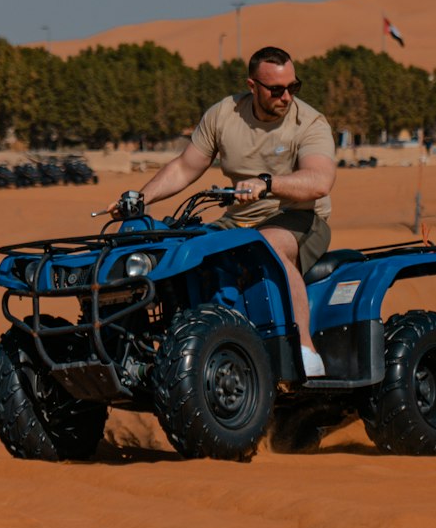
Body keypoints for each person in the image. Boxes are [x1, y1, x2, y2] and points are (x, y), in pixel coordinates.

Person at [117, 46, 336, 378]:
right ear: (252, 86)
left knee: (269, 248)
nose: (287, 96)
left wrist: (268, 183)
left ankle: (305, 351)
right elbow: (185, 166)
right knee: (184, 252)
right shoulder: (224, 115)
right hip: (238, 220)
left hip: (299, 217)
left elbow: (319, 180)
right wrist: (140, 199)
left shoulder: (309, 122)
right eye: (276, 89)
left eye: (294, 87)